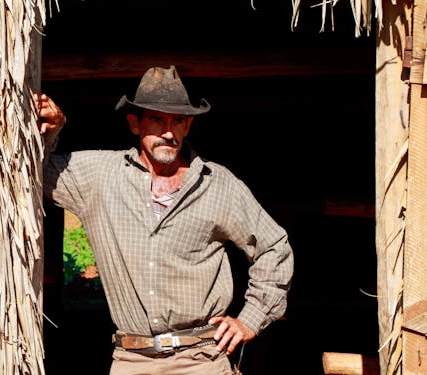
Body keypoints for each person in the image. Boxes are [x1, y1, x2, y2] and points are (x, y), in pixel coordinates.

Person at [35, 65, 294, 374]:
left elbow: (273, 247)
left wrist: (251, 318)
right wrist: (53, 130)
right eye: (157, 119)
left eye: (177, 121)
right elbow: (31, 172)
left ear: (188, 127)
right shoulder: (99, 177)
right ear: (135, 123)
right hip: (132, 360)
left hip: (202, 359)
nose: (168, 132)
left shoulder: (218, 184)